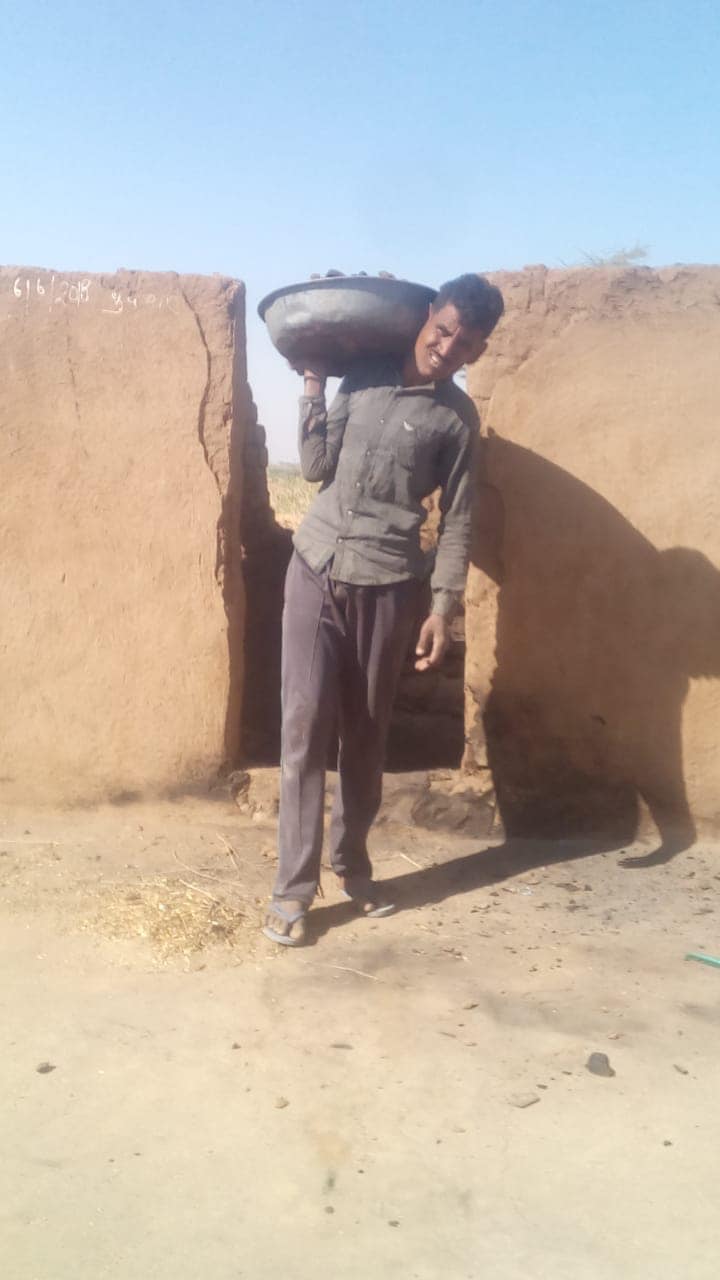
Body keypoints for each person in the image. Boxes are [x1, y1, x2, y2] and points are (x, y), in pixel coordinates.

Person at [263, 273, 504, 945]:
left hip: (389, 584)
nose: (447, 349)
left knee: (365, 737)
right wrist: (312, 383)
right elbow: (314, 467)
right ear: (427, 315)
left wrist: (441, 607)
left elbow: (458, 520)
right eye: (444, 331)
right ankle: (292, 891)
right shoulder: (363, 377)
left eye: (466, 345)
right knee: (302, 730)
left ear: (478, 351)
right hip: (314, 569)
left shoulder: (456, 420)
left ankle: (353, 868)